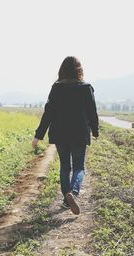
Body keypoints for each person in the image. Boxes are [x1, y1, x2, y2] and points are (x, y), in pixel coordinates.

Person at [32, 56, 99, 215]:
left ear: (62, 70)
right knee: (79, 167)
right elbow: (92, 113)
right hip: (79, 134)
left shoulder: (56, 88)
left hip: (61, 134)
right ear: (79, 71)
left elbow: (48, 114)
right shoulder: (86, 88)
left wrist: (38, 136)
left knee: (64, 167)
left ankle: (66, 197)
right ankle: (73, 193)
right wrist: (95, 131)